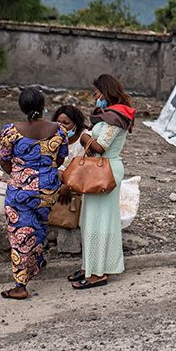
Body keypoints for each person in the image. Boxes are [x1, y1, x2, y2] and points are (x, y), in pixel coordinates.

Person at [0, 87, 68, 299]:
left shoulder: (10, 131)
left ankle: (20, 285)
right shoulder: (59, 130)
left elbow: (4, 160)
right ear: (42, 105)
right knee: (39, 226)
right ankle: (36, 262)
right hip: (48, 188)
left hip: (20, 190)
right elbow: (61, 158)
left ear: (22, 107)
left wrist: (20, 174)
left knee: (20, 234)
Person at [69, 74, 134, 290]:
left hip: (105, 169)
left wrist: (84, 137)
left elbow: (100, 146)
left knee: (99, 222)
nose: (94, 97)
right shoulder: (110, 115)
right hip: (99, 169)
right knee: (90, 220)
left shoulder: (116, 116)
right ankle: (90, 266)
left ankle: (98, 273)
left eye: (96, 93)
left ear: (106, 93)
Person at [52, 104, 89, 254]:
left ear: (76, 123)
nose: (63, 127)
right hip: (64, 178)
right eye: (59, 123)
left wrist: (68, 185)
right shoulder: (56, 138)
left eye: (66, 123)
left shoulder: (84, 137)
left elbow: (84, 168)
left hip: (82, 181)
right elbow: (56, 164)